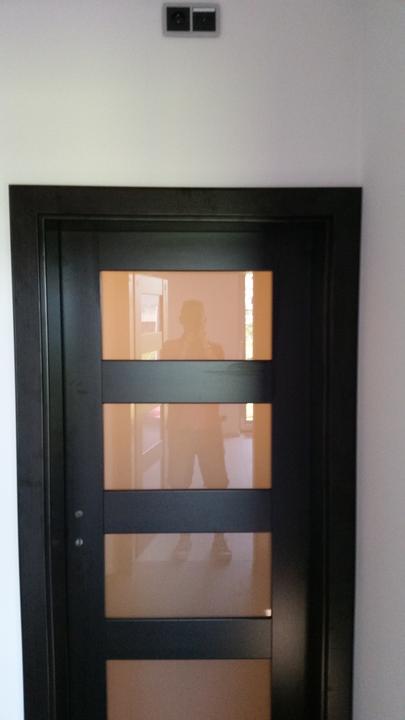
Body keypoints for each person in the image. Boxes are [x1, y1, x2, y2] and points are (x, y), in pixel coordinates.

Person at [161, 300, 231, 559]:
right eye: (191, 319)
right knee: (179, 483)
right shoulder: (169, 348)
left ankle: (220, 539)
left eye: (199, 319)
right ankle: (184, 538)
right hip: (180, 429)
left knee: (217, 483)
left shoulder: (216, 349)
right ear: (182, 321)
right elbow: (168, 380)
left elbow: (221, 383)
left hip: (209, 429)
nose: (195, 324)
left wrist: (204, 347)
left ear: (205, 321)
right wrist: (186, 348)